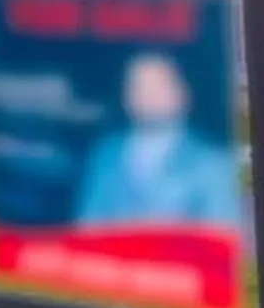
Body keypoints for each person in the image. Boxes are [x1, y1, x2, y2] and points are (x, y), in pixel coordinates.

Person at [72, 50, 242, 226]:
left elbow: (222, 236)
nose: (148, 95)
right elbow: (88, 227)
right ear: (125, 96)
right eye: (138, 86)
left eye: (158, 86)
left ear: (183, 94)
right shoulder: (106, 156)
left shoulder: (215, 163)